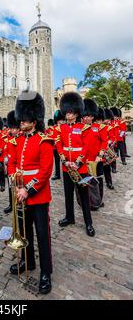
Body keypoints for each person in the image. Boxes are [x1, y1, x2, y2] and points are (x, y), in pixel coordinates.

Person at [7, 90, 54, 295]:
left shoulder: (44, 140)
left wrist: (28, 189)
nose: (21, 123)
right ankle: (28, 262)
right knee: (24, 232)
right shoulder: (19, 141)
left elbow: (45, 171)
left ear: (33, 121)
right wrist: (17, 185)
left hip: (38, 196)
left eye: (24, 120)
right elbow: (13, 163)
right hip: (20, 195)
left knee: (42, 235)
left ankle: (46, 272)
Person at [55, 92, 95, 237]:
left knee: (84, 195)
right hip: (66, 167)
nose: (67, 114)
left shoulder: (84, 128)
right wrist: (65, 161)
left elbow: (86, 147)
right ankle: (69, 217)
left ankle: (88, 222)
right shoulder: (61, 128)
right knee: (68, 194)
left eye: (70, 112)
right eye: (66, 111)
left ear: (76, 113)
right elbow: (59, 144)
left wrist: (77, 162)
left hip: (80, 167)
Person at [82, 99, 108, 208]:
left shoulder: (99, 128)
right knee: (88, 181)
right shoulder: (80, 129)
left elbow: (104, 141)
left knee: (99, 180)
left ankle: (99, 200)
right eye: (85, 116)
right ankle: (89, 201)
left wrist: (100, 155)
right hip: (85, 160)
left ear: (93, 116)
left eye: (89, 116)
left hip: (97, 160)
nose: (87, 118)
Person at [2, 110, 21, 214]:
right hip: (10, 166)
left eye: (14, 128)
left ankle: (18, 202)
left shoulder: (21, 138)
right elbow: (6, 149)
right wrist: (5, 160)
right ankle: (11, 203)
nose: (13, 130)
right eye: (11, 128)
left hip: (18, 167)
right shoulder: (8, 137)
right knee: (10, 186)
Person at [103, 108, 116, 186]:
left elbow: (112, 138)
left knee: (107, 167)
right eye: (107, 119)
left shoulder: (109, 127)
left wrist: (109, 142)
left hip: (107, 149)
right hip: (99, 150)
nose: (108, 121)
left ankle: (109, 182)